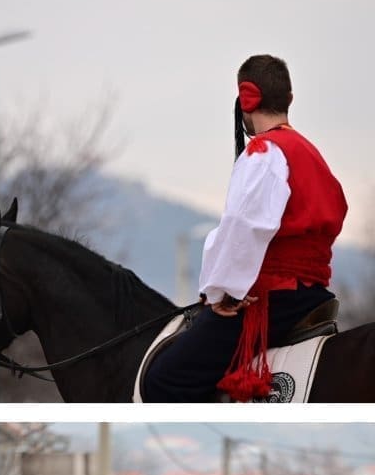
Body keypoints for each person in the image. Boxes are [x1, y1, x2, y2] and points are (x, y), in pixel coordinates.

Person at [144, 55, 347, 403]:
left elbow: (243, 229)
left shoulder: (265, 153)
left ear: (247, 100)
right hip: (313, 292)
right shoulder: (311, 154)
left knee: (164, 379)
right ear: (289, 99)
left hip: (273, 298)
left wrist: (222, 292)